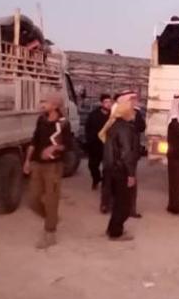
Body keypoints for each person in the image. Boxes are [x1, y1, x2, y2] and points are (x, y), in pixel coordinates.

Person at [23, 92, 73, 250]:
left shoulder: (64, 123)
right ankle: (52, 218)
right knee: (32, 199)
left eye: (46, 102)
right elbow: (34, 140)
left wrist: (54, 147)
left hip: (54, 166)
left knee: (52, 200)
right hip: (38, 164)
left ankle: (50, 232)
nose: (43, 104)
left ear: (55, 105)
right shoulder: (42, 120)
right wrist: (27, 160)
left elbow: (69, 146)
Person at [99, 94, 140, 241]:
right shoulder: (125, 129)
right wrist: (130, 174)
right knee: (124, 204)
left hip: (112, 170)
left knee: (118, 202)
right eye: (132, 109)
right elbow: (126, 154)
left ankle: (112, 229)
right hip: (121, 170)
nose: (134, 112)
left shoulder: (114, 125)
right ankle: (116, 232)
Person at [109, 91, 146, 218]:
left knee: (131, 184)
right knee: (120, 183)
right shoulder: (117, 114)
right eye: (132, 100)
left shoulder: (136, 113)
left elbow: (142, 127)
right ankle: (115, 208)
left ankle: (131, 209)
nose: (135, 102)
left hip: (130, 154)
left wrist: (135, 118)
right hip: (121, 157)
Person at [85, 94, 113, 195]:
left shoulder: (113, 116)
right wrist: (89, 140)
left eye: (110, 102)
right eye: (106, 102)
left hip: (108, 145)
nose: (108, 104)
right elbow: (88, 128)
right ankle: (96, 179)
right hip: (95, 144)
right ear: (102, 103)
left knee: (108, 166)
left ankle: (106, 183)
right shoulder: (93, 115)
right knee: (92, 165)